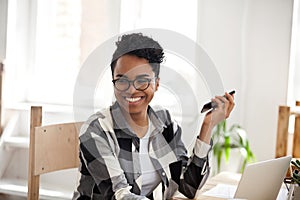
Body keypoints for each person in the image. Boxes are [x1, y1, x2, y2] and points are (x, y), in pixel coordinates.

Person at [73, 33, 235, 200]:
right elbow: (119, 196)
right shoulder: (96, 130)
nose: (131, 90)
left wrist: (207, 126)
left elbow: (187, 188)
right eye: (121, 80)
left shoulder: (164, 122)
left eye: (142, 80)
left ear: (156, 83)